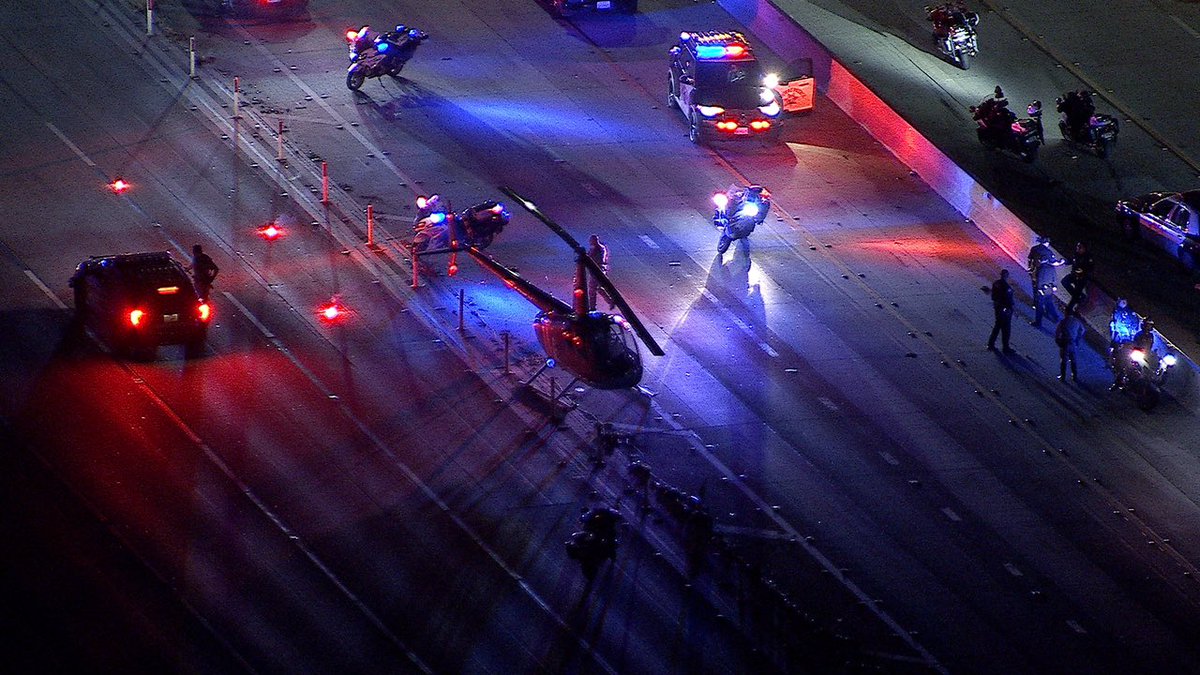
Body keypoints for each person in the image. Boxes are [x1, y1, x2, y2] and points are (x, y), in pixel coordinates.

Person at [1027, 236, 1063, 328]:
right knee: (1048, 300)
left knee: (1040, 302)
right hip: (1047, 283)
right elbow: (1055, 265)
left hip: (1037, 277)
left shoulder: (1034, 249)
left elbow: (1030, 260)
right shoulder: (1049, 255)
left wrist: (1031, 270)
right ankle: (1055, 317)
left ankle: (1038, 322)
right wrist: (1061, 262)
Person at [987, 269, 1015, 354]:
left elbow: (993, 297)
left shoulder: (996, 283)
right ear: (1007, 276)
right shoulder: (1007, 287)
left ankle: (991, 344)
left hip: (998, 308)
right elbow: (1009, 300)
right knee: (1006, 330)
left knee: (997, 326)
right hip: (1005, 310)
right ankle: (1005, 348)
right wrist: (1011, 309)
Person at [1055, 307, 1085, 381]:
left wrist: (1058, 340)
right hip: (1073, 342)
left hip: (1065, 342)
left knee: (1064, 360)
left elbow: (1058, 332)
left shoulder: (1064, 321)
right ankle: (1074, 376)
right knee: (1073, 359)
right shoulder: (1077, 321)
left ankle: (1063, 376)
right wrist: (1078, 338)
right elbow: (1082, 330)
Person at [586, 234, 613, 310]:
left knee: (594, 289)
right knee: (596, 289)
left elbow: (598, 260)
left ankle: (594, 306)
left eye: (591, 241)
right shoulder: (594, 248)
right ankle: (609, 301)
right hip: (595, 271)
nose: (590, 242)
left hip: (598, 271)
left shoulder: (599, 249)